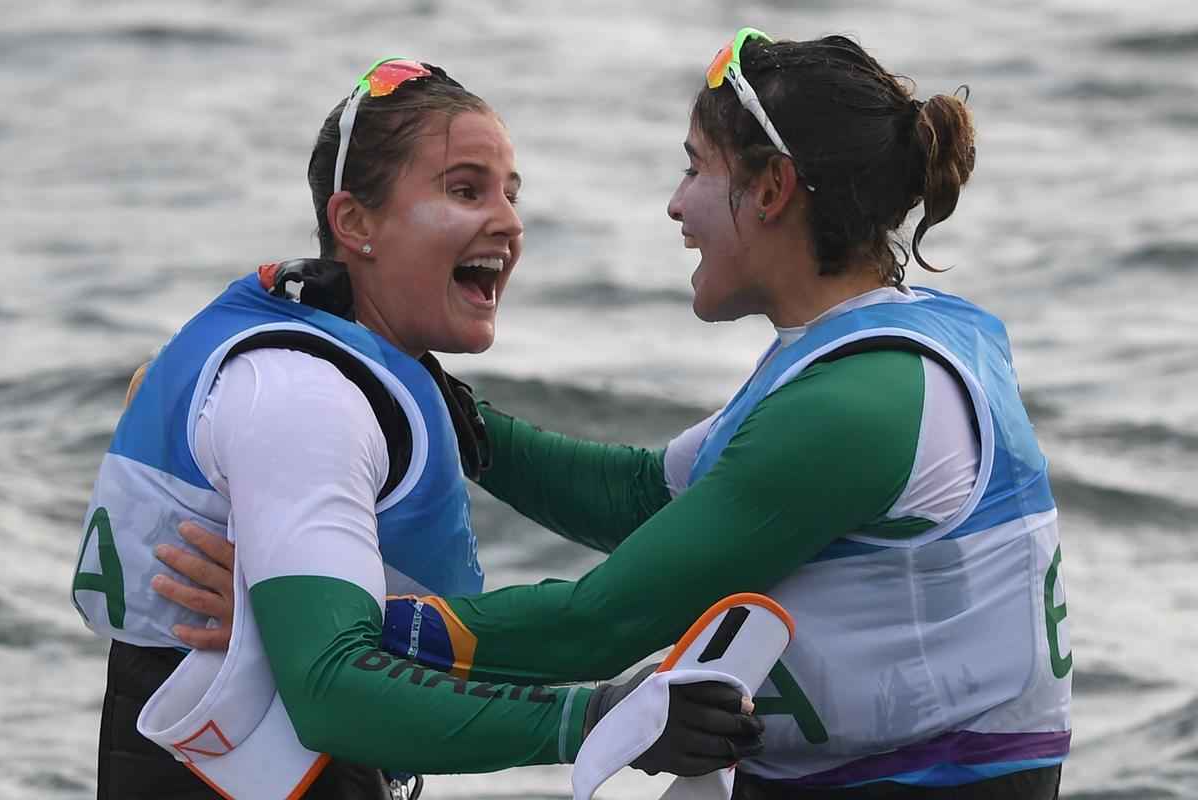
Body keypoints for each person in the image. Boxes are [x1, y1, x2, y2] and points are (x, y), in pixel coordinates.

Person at [161, 30, 1072, 799]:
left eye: (695, 169)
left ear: (770, 190)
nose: (675, 204)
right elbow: (645, 500)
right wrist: (444, 406)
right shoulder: (888, 344)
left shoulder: (855, 407)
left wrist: (324, 627)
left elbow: (598, 625)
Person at [70, 57, 764, 800]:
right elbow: (332, 688)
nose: (509, 222)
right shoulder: (307, 398)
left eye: (510, 194)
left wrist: (282, 614)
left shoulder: (328, 369)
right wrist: (592, 718)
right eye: (465, 190)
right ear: (354, 223)